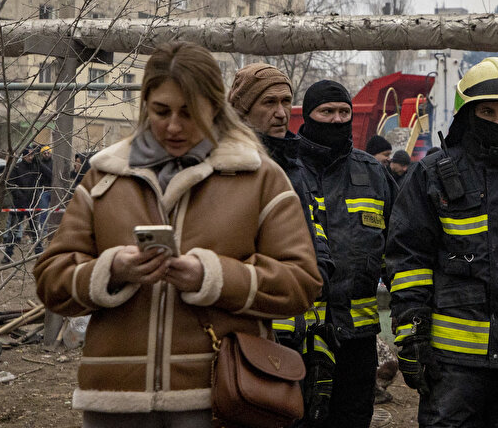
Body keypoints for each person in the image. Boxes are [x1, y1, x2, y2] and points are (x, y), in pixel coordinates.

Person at [34, 41, 320, 427]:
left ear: (215, 108)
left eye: (189, 112)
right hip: (115, 403)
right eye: (161, 111)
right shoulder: (105, 176)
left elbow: (301, 282)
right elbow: (51, 280)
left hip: (217, 398)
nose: (173, 125)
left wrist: (212, 277)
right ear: (144, 107)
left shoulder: (258, 176)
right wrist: (113, 270)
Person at [387, 57, 498, 428]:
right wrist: (412, 334)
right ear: (467, 114)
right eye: (487, 110)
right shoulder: (431, 175)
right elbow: (409, 260)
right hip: (453, 367)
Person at [229, 62, 337, 425]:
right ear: (242, 109)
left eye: (285, 101)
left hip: (303, 329)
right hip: (244, 328)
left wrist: (320, 272)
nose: (280, 113)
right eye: (268, 103)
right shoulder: (226, 164)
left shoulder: (296, 166)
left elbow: (315, 234)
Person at [297, 79, 394, 428]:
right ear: (308, 116)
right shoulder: (286, 169)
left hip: (357, 339)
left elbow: (397, 249)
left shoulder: (372, 174)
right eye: (327, 111)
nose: (337, 120)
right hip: (296, 336)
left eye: (344, 112)